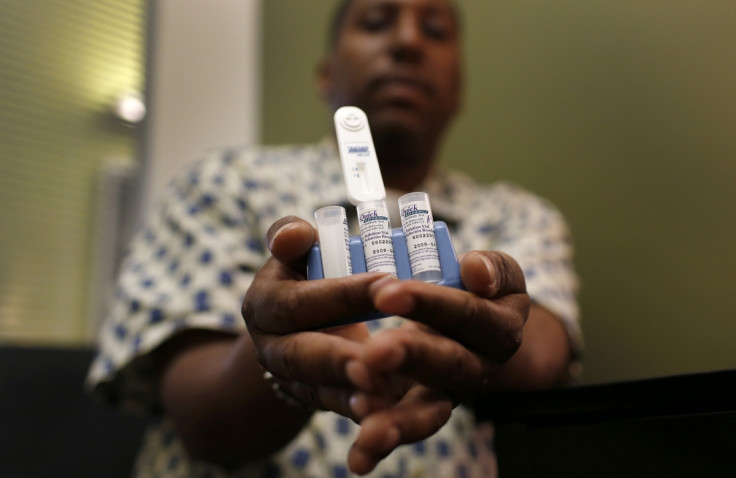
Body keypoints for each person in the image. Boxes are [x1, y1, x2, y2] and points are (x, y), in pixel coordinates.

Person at [87, 0, 582, 476]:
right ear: (326, 76)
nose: (408, 41)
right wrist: (278, 356)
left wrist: (490, 335)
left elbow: (542, 353)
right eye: (375, 21)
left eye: (434, 30)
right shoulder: (223, 183)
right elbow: (202, 418)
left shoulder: (518, 215)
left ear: (459, 91)